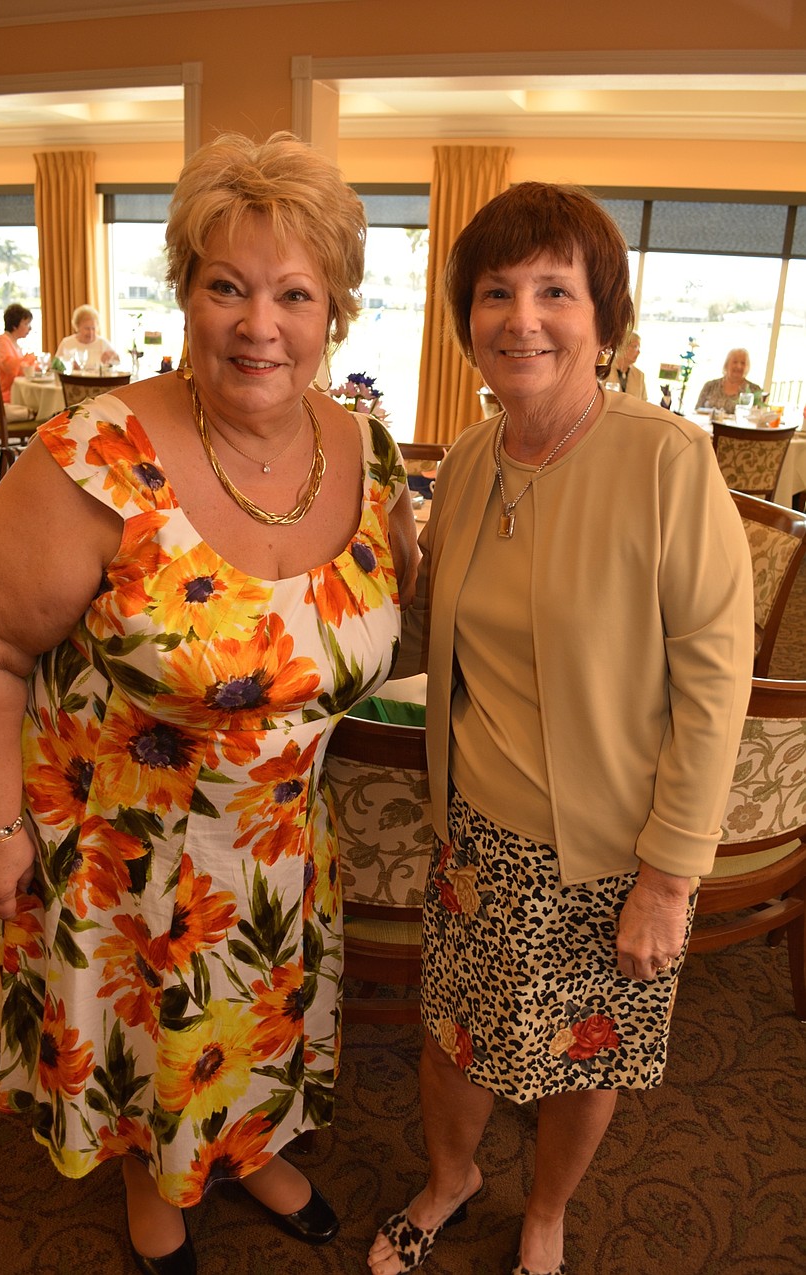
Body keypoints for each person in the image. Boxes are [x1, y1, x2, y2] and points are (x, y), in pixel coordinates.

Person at [0, 131, 418, 1275]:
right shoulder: (95, 454)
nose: (259, 324)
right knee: (141, 1041)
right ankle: (145, 1176)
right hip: (120, 854)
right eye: (226, 286)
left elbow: (389, 617)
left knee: (252, 1019)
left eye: (293, 294)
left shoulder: (368, 448)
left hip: (275, 850)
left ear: (334, 314)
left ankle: (246, 1147)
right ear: (185, 293)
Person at [368, 182, 754, 1275]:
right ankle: (452, 1180)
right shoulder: (477, 455)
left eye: (554, 290)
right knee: (454, 1036)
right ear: (466, 322)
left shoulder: (666, 460)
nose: (521, 317)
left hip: (610, 853)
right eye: (495, 292)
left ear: (604, 320)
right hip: (474, 832)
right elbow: (446, 639)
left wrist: (669, 879)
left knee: (586, 1057)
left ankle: (545, 1210)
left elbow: (715, 689)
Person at [0, 302, 34, 401]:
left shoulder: (13, 343)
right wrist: (28, 359)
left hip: (14, 393)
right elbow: (11, 368)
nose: (30, 328)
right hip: (2, 398)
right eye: (26, 323)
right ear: (14, 325)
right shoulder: (1, 342)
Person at [694, 348, 762, 414]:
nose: (739, 366)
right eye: (735, 362)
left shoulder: (754, 390)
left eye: (743, 363)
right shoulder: (710, 386)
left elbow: (756, 418)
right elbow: (697, 411)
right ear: (726, 364)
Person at [55, 304, 120, 368]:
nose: (91, 332)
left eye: (93, 328)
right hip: (72, 378)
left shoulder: (102, 343)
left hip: (96, 378)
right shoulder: (67, 343)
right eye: (87, 328)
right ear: (77, 327)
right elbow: (55, 366)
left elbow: (118, 362)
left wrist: (113, 357)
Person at [607, 330, 647, 399]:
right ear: (623, 347)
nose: (639, 352)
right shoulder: (606, 370)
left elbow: (644, 402)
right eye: (635, 347)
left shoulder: (639, 375)